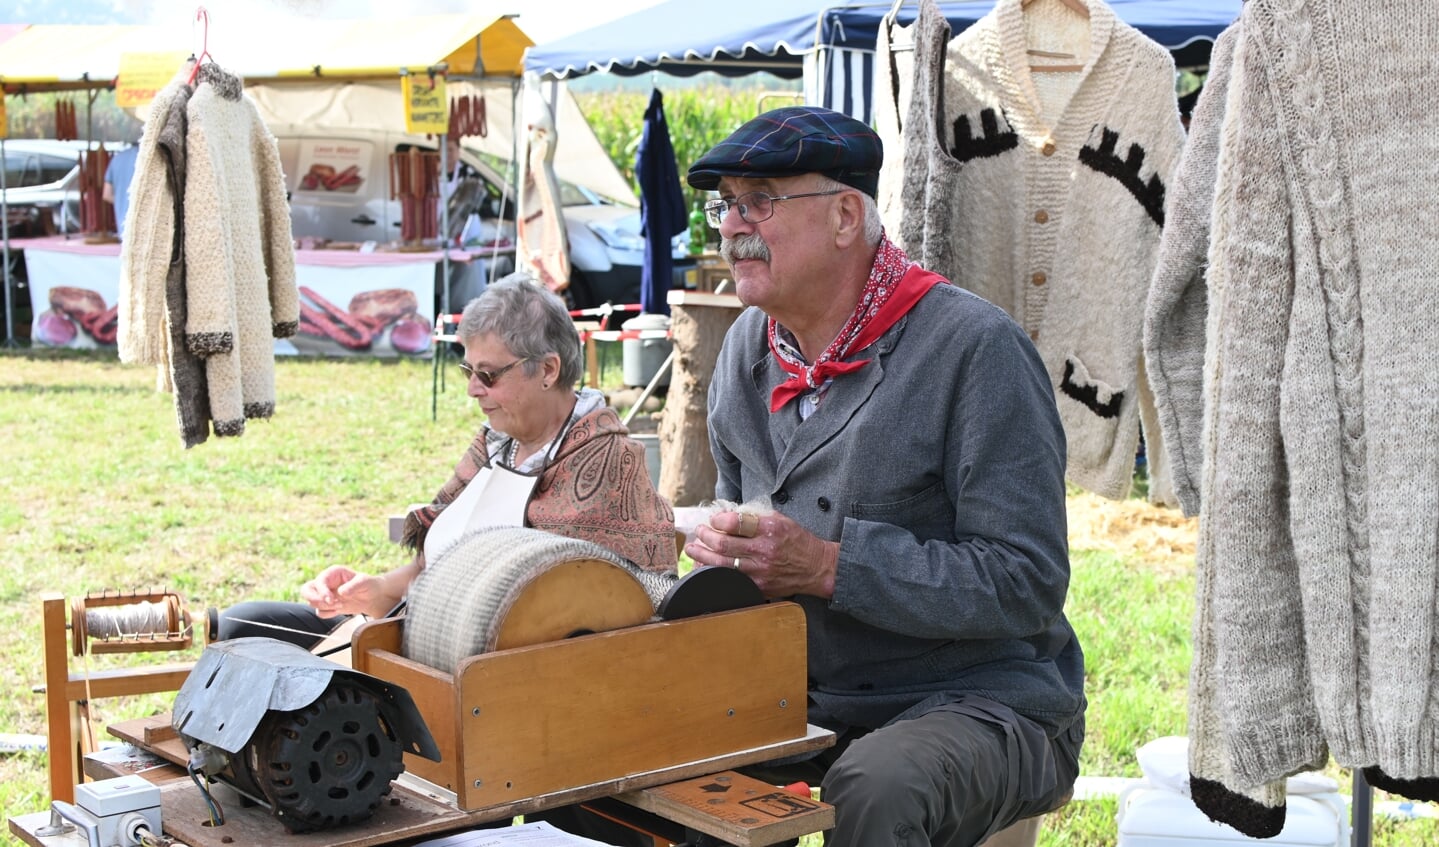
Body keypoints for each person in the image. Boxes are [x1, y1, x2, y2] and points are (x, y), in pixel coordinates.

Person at [683, 106, 1085, 847]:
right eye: (726, 204)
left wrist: (830, 565)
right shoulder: (744, 351)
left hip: (978, 697)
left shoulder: (973, 349)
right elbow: (745, 544)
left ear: (843, 216)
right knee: (640, 753)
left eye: (761, 202)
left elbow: (1027, 579)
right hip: (803, 695)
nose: (733, 226)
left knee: (878, 784)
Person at [215, 272, 677, 647]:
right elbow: (434, 565)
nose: (473, 389)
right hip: (425, 636)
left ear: (549, 370)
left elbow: (571, 617)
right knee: (241, 624)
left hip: (481, 678)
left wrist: (398, 619)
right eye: (468, 371)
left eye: (488, 375)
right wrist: (373, 590)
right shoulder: (498, 442)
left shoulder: (604, 461)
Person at [103, 142, 140, 238]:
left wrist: (121, 200)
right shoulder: (150, 159)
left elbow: (106, 194)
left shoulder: (116, 159)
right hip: (143, 227)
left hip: (123, 229)